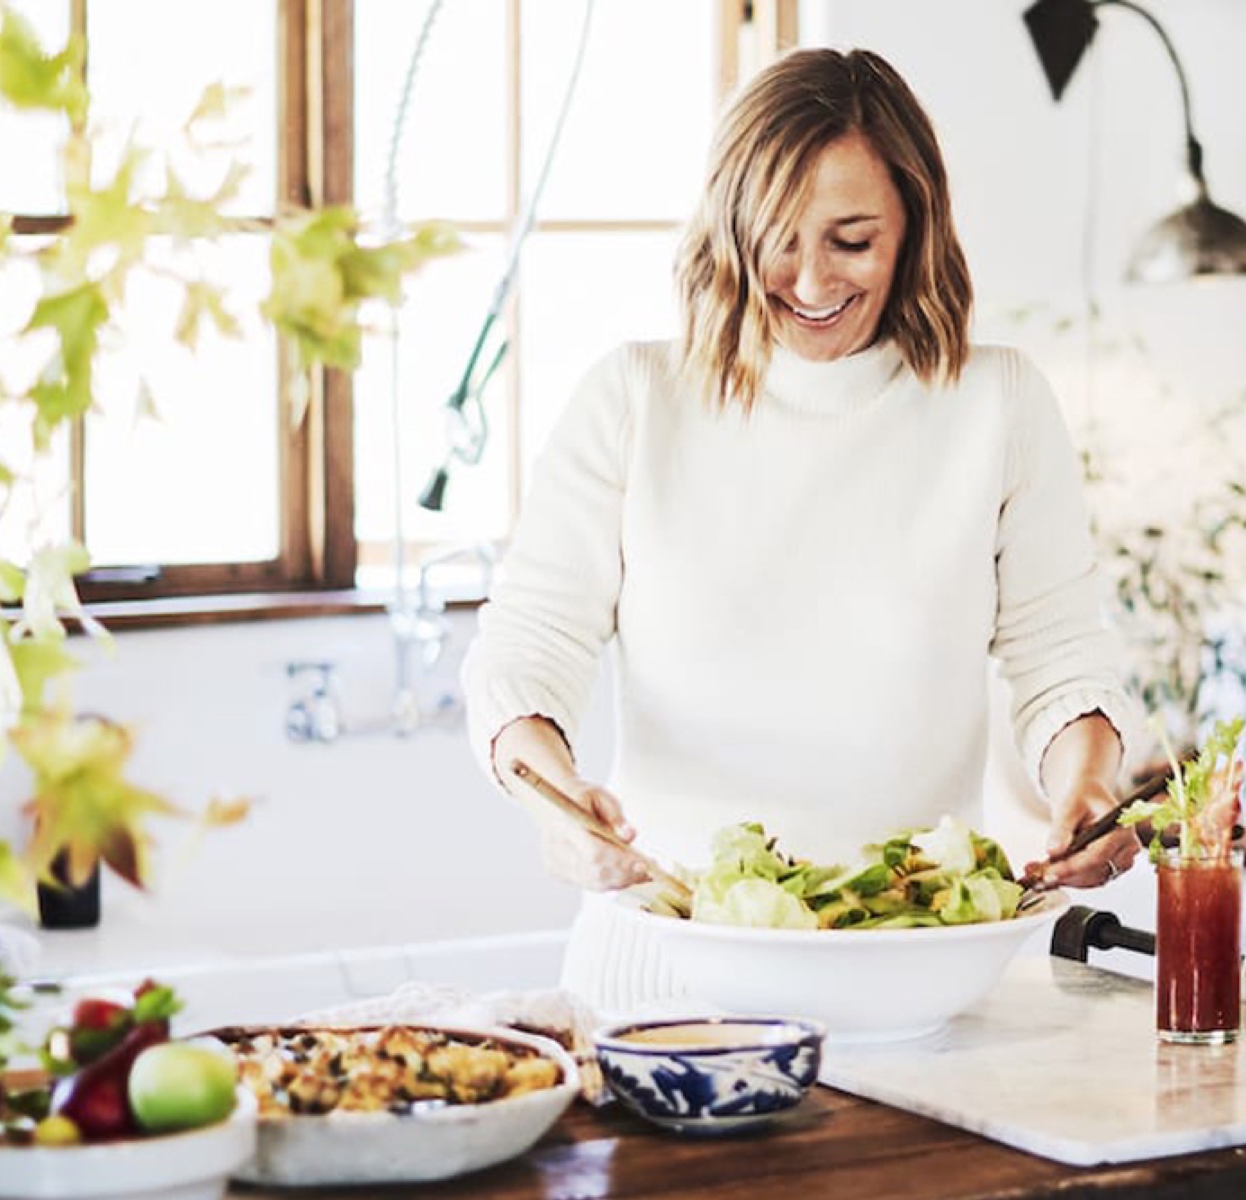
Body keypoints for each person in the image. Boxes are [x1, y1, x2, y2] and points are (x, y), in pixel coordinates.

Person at [461, 46, 1143, 1012]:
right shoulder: (634, 398)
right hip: (664, 975)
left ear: (915, 227)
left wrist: (1085, 784)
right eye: (777, 238)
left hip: (917, 971)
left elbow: (1059, 653)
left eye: (851, 241)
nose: (809, 279)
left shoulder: (999, 405)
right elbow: (528, 646)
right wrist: (552, 797)